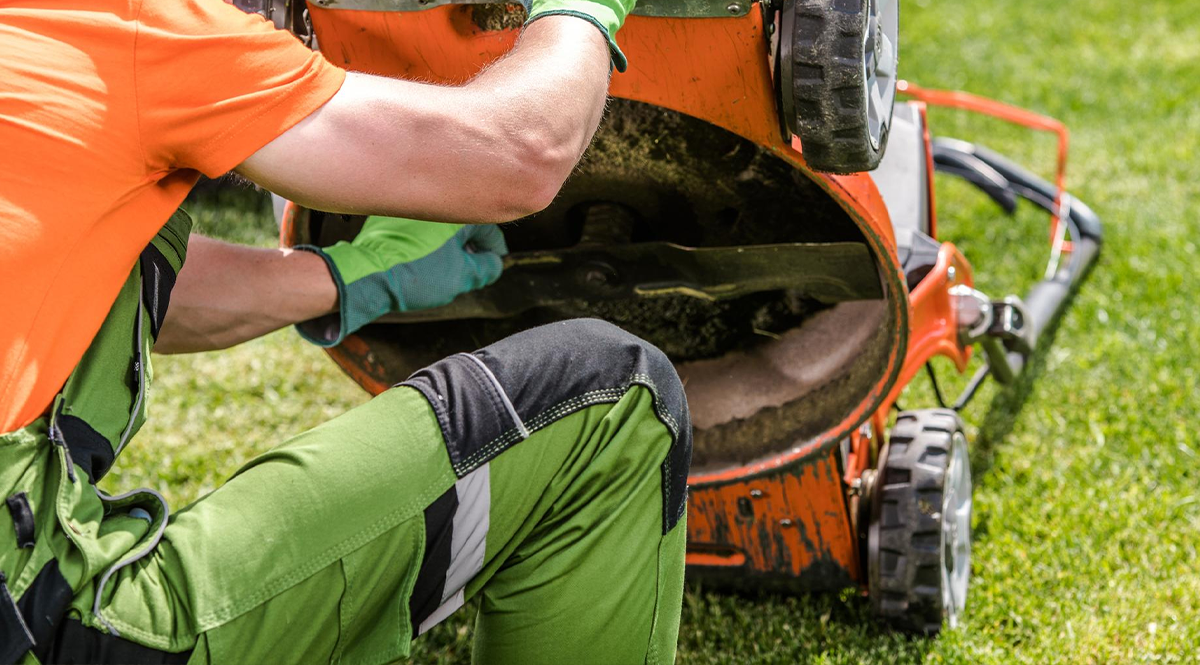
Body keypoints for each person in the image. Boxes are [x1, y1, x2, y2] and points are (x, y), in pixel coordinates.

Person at [0, 0, 693, 662]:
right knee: (615, 404)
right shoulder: (128, 29)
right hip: (34, 624)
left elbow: (98, 275)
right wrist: (582, 13)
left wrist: (349, 274)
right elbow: (524, 148)